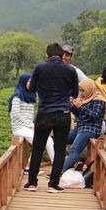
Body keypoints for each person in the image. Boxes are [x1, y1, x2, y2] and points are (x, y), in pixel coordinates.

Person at [25, 43, 79, 193]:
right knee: (60, 149)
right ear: (62, 55)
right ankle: (53, 184)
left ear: (47, 54)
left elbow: (32, 88)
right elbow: (74, 93)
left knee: (37, 148)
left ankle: (32, 183)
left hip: (44, 113)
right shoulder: (70, 70)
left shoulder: (40, 68)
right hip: (63, 114)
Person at [9, 73, 55, 174]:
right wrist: (31, 125)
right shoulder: (17, 97)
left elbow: (29, 115)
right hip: (19, 127)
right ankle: (32, 168)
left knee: (48, 140)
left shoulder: (31, 95)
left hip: (28, 126)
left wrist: (33, 125)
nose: (32, 83)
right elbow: (15, 114)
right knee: (40, 142)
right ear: (24, 82)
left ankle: (55, 166)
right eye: (29, 81)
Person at [62, 79, 106, 172]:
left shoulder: (99, 100)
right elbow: (79, 114)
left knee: (74, 148)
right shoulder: (84, 99)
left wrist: (80, 106)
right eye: (81, 90)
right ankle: (68, 163)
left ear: (89, 88)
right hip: (80, 127)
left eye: (83, 90)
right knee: (61, 139)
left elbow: (94, 116)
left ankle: (60, 170)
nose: (82, 93)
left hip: (91, 128)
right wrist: (72, 106)